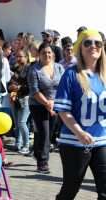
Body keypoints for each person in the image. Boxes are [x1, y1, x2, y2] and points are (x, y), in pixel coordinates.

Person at [54, 29, 106, 200]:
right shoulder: (71, 74)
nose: (93, 46)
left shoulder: (104, 75)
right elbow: (63, 110)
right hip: (74, 142)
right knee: (70, 189)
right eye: (88, 42)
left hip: (102, 141)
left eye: (97, 43)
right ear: (80, 48)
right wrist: (80, 132)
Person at [28, 42, 64, 173]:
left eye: (49, 52)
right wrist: (47, 103)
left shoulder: (59, 68)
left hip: (55, 104)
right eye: (43, 52)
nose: (47, 55)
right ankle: (43, 162)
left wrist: (54, 102)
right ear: (39, 54)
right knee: (44, 132)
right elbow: (34, 90)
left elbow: (64, 86)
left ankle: (37, 152)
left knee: (47, 133)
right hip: (37, 104)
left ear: (53, 54)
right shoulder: (34, 69)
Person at [8, 49, 31, 154]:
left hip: (26, 98)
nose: (18, 58)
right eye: (17, 56)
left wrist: (18, 87)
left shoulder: (29, 69)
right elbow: (10, 82)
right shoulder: (16, 68)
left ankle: (26, 145)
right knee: (17, 123)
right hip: (15, 98)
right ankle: (18, 144)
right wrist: (11, 87)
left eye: (21, 56)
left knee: (22, 122)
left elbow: (30, 86)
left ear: (26, 57)